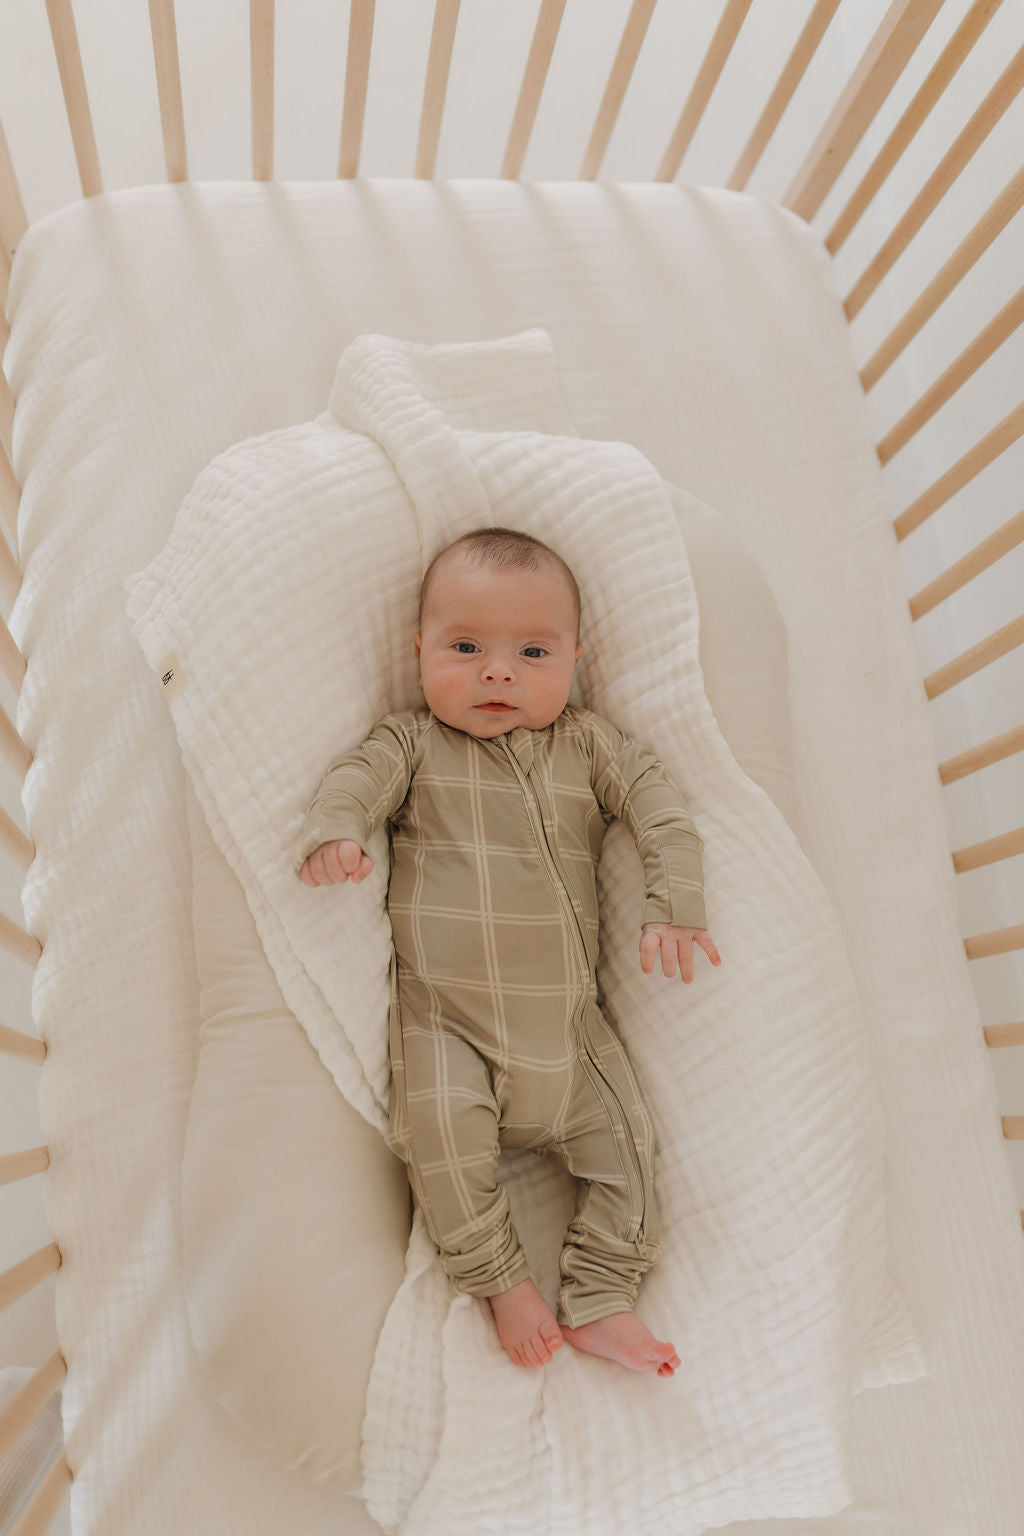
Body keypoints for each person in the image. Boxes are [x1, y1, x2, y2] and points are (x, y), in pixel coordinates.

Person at [294, 526, 722, 1377]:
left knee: (633, 1152)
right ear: (418, 653)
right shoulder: (413, 744)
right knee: (439, 1139)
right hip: (449, 1029)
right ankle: (501, 1281)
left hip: (570, 1036)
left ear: (574, 657)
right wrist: (335, 829)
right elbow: (352, 781)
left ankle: (602, 1295)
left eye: (532, 651)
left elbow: (662, 807)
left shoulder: (591, 746)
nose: (499, 671)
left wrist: (675, 903)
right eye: (466, 647)